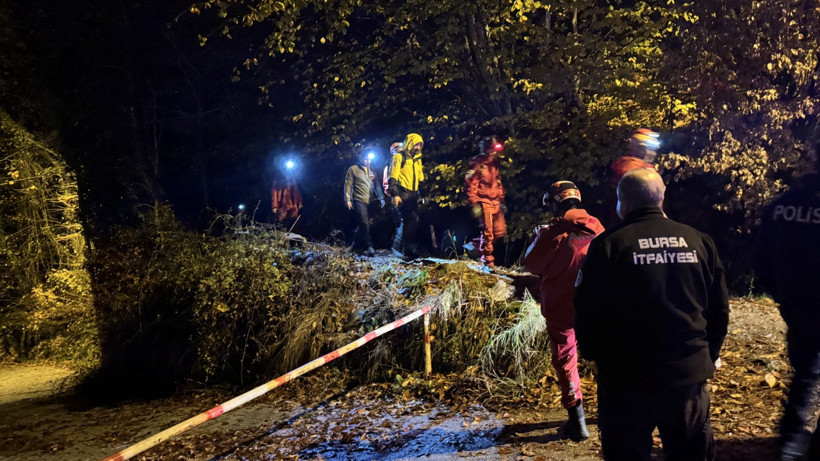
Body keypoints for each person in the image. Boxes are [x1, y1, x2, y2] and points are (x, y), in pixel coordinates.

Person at [574, 168, 729, 460]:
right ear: (661, 198)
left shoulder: (608, 246)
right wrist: (710, 352)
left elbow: (587, 311)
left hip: (626, 379)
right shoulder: (699, 242)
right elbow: (719, 307)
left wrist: (594, 357)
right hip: (688, 377)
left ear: (623, 203)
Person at [756, 125, 820, 461]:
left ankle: (791, 437)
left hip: (794, 301)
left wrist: (780, 292)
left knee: (806, 369)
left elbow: (762, 255)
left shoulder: (784, 203)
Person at [523, 180, 604, 441]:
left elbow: (531, 264)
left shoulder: (553, 232)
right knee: (603, 358)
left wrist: (539, 236)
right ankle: (606, 413)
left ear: (557, 202)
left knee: (566, 360)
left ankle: (577, 422)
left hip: (560, 306)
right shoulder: (598, 227)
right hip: (594, 306)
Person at [465, 135, 507, 268]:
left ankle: (474, 246)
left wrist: (501, 199)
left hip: (495, 201)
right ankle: (488, 263)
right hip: (484, 201)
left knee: (500, 231)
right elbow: (471, 183)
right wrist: (474, 203)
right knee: (488, 233)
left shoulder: (494, 164)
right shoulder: (478, 163)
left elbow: (497, 182)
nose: (495, 151)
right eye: (492, 149)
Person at [606, 128, 660, 224]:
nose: (652, 153)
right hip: (634, 220)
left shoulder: (642, 167)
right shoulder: (631, 167)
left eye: (653, 149)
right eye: (649, 149)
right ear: (639, 148)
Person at [387, 133, 424, 259]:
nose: (418, 147)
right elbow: (393, 176)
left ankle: (403, 248)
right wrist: (395, 194)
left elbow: (420, 178)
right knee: (408, 220)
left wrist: (423, 194)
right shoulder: (399, 157)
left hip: (413, 194)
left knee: (413, 221)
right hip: (402, 192)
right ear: (409, 143)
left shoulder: (417, 159)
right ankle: (403, 250)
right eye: (416, 144)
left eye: (420, 145)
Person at [344, 149, 386, 257]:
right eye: (365, 159)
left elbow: (376, 185)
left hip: (370, 200)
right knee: (364, 222)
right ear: (361, 159)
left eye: (369, 159)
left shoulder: (372, 170)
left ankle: (353, 246)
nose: (368, 161)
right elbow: (348, 185)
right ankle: (369, 247)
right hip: (358, 199)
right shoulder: (353, 169)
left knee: (363, 224)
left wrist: (381, 198)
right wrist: (347, 199)